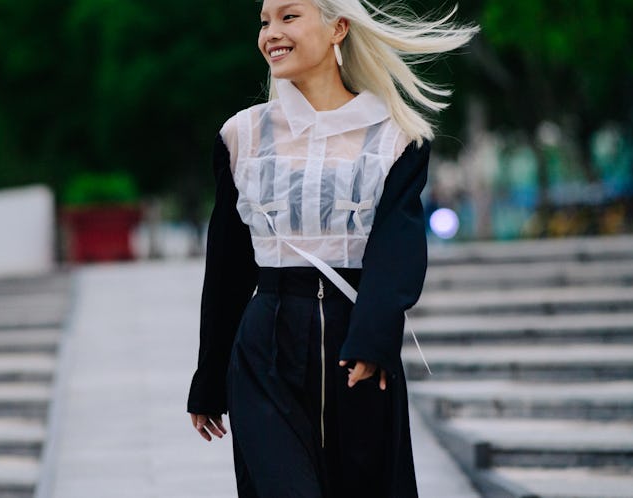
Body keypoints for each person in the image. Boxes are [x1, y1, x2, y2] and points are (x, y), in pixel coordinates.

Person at [187, 1, 476, 496]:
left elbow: (397, 247)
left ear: (338, 27)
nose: (271, 33)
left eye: (288, 17)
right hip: (264, 350)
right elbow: (228, 267)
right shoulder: (242, 135)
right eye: (264, 21)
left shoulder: (396, 136)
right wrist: (210, 376)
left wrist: (374, 337)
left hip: (356, 349)